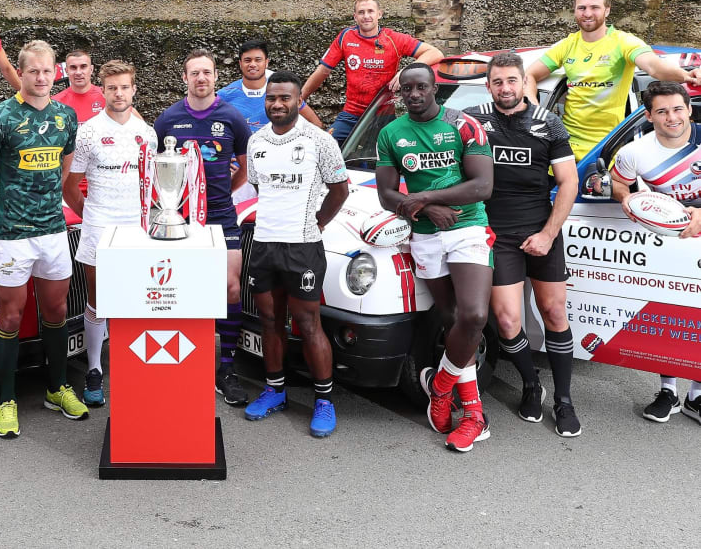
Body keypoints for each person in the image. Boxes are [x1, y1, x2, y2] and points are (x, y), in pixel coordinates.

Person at [375, 62, 495, 453]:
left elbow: (482, 186)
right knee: (450, 319)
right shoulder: (391, 133)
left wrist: (425, 198)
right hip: (425, 235)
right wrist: (425, 212)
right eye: (406, 89)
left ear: (434, 89)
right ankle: (472, 411)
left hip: (467, 228)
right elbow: (387, 196)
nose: (413, 95)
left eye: (421, 88)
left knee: (474, 315)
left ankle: (441, 387)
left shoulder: (463, 125)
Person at [0, 39, 87, 439]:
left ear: (56, 72)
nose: (41, 77)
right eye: (33, 71)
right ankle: (6, 399)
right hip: (11, 236)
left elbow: (62, 172)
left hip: (53, 231)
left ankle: (57, 388)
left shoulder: (66, 117)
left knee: (55, 311)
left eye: (47, 70)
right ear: (20, 73)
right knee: (11, 316)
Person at [466, 52, 581, 436]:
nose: (506, 88)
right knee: (507, 320)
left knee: (553, 312)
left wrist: (548, 234)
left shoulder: (549, 124)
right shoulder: (472, 121)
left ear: (523, 82)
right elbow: (429, 120)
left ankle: (564, 401)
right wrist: (402, 82)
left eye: (512, 81)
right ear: (489, 86)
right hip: (496, 235)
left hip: (541, 230)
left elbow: (569, 182)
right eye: (497, 82)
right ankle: (532, 384)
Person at [243, 71, 348, 436]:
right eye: (271, 99)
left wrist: (317, 223)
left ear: (298, 99)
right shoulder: (256, 141)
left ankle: (323, 400)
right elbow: (260, 187)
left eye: (285, 98)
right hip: (264, 244)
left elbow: (339, 191)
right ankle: (275, 391)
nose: (277, 104)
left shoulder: (319, 141)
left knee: (308, 323)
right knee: (270, 320)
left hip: (303, 246)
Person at [155, 49, 252, 406]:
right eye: (194, 73)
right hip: (179, 217)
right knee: (180, 290)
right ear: (184, 78)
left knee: (229, 287)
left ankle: (225, 367)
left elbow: (243, 168)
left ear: (215, 77)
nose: (201, 79)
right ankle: (185, 361)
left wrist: (226, 189)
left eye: (207, 73)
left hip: (222, 216)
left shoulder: (231, 118)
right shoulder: (167, 120)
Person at [62, 60, 158, 406]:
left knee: (134, 301)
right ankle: (94, 370)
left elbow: (152, 186)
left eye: (124, 87)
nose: (119, 93)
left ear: (134, 89)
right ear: (103, 90)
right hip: (99, 227)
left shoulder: (146, 133)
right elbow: (70, 186)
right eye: (112, 87)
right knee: (98, 301)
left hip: (136, 228)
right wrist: (92, 218)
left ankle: (132, 367)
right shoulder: (87, 131)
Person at [608, 80, 701, 425]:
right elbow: (619, 182)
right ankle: (668, 391)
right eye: (661, 111)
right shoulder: (636, 152)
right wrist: (627, 199)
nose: (671, 117)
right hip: (668, 242)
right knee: (670, 315)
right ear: (649, 116)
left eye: (678, 109)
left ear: (689, 109)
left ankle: (696, 395)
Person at [525, 0, 701, 161]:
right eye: (582, 8)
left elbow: (654, 67)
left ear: (607, 10)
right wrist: (535, 110)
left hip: (607, 146)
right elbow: (529, 75)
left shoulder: (623, 42)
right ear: (575, 11)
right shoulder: (566, 45)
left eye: (595, 7)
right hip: (564, 144)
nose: (587, 13)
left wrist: (686, 75)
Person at [300, 0, 443, 147]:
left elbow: (435, 53)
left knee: (383, 157)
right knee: (324, 146)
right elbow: (322, 71)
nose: (366, 16)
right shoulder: (346, 37)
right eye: (361, 12)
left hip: (383, 115)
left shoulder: (393, 39)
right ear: (355, 17)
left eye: (370, 11)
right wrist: (300, 97)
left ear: (379, 14)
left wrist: (405, 71)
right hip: (351, 114)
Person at [218, 39, 323, 132]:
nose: (253, 64)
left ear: (266, 62)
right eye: (247, 60)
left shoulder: (281, 91)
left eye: (258, 60)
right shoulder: (225, 95)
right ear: (240, 64)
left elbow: (316, 124)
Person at [53, 50, 105, 123]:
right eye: (73, 67)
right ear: (66, 71)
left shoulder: (106, 97)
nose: (78, 72)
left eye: (83, 67)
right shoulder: (55, 103)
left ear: (91, 69)